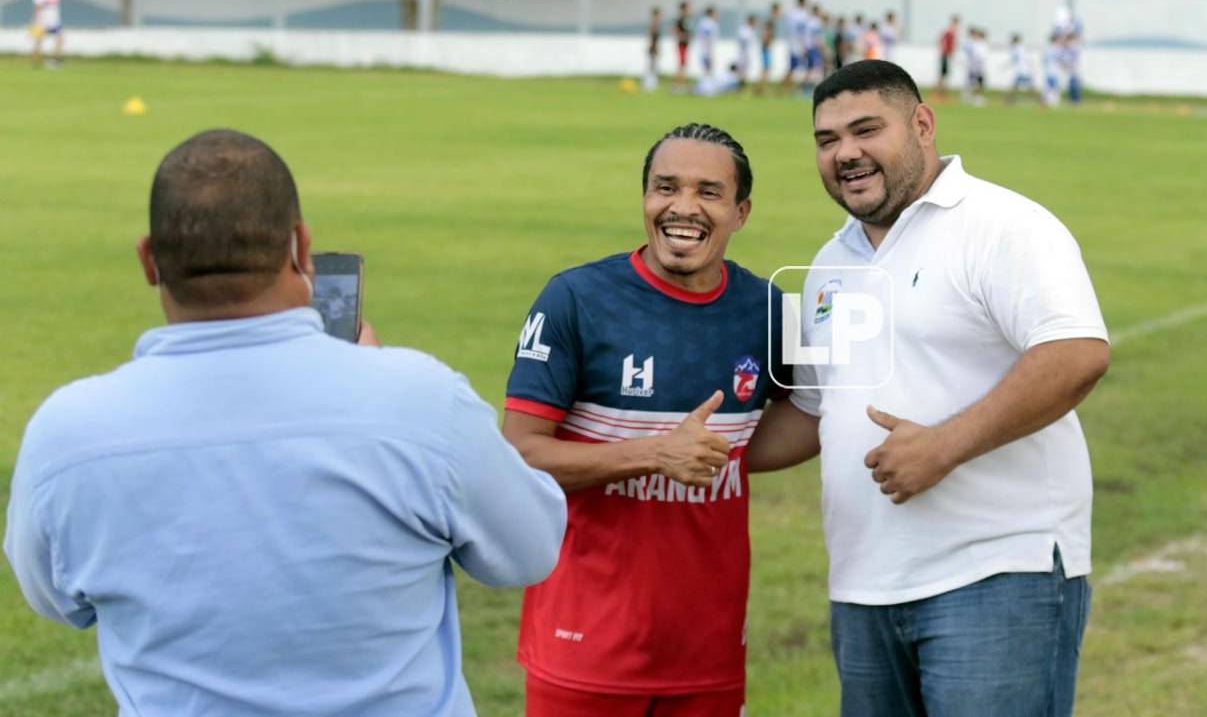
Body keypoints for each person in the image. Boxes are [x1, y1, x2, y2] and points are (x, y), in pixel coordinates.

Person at [4, 129, 568, 717]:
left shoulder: (67, 434)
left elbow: (54, 599)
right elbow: (529, 550)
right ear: (301, 249)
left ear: (149, 260)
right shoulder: (420, 400)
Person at [748, 60, 1110, 717]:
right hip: (863, 583)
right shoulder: (831, 262)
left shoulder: (1001, 225)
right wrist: (671, 448)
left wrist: (944, 445)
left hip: (998, 572)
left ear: (922, 124)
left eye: (865, 130)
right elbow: (811, 412)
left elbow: (1076, 351)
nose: (846, 154)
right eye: (827, 141)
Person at [503, 123, 798, 717]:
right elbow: (519, 455)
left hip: (709, 653)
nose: (683, 208)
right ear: (645, 199)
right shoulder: (575, 300)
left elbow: (803, 420)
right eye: (666, 187)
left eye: (709, 192)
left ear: (741, 212)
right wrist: (655, 453)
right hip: (584, 649)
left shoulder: (767, 310)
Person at [30, 0, 64, 68]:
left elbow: (54, 6)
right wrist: (36, 19)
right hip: (43, 19)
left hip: (53, 20)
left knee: (60, 37)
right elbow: (38, 4)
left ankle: (54, 60)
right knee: (39, 40)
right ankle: (35, 62)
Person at [783, 0, 809, 91]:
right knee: (794, 67)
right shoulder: (802, 15)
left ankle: (788, 87)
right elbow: (802, 32)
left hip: (792, 43)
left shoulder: (792, 13)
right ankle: (786, 87)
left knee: (794, 67)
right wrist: (804, 45)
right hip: (798, 45)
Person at [757, 1, 781, 94]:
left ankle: (760, 89)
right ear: (775, 10)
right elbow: (766, 32)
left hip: (766, 47)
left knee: (766, 68)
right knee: (766, 69)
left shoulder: (771, 20)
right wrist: (767, 43)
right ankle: (761, 89)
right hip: (766, 47)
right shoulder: (771, 20)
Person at [1008, 32, 1035, 104]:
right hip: (1025, 70)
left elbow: (1014, 59)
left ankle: (1041, 101)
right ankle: (1010, 100)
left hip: (1021, 70)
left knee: (1028, 88)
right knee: (1016, 86)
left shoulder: (1016, 48)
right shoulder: (1022, 48)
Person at [936, 14, 960, 97]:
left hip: (946, 54)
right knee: (943, 74)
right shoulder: (950, 31)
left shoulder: (951, 31)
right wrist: (947, 51)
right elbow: (943, 41)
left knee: (945, 74)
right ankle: (940, 93)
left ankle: (942, 92)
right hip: (946, 54)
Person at [672, 0, 692, 90]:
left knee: (683, 64)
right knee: (681, 64)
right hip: (681, 44)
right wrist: (683, 36)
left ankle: (681, 84)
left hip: (686, 44)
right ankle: (676, 85)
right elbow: (674, 31)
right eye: (688, 8)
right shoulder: (680, 19)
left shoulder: (687, 19)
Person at [697, 6, 720, 79]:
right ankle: (706, 83)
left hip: (707, 48)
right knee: (707, 67)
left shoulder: (709, 22)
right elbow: (707, 38)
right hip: (707, 48)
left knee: (708, 67)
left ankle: (708, 82)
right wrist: (709, 50)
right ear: (711, 13)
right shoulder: (708, 23)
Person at [644, 6, 662, 92]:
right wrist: (654, 48)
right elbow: (652, 38)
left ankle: (651, 84)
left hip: (653, 47)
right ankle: (649, 85)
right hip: (653, 48)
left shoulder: (655, 25)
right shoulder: (654, 25)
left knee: (653, 66)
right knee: (652, 67)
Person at [737, 13, 757, 87]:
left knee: (745, 71)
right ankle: (740, 86)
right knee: (742, 71)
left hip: (748, 53)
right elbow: (743, 40)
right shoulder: (744, 29)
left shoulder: (751, 30)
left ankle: (742, 86)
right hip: (743, 53)